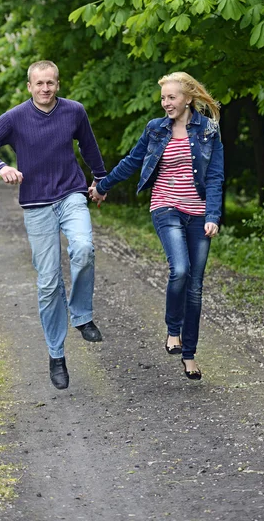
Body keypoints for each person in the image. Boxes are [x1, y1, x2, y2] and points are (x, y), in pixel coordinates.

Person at [0, 60, 107, 390]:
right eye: (39, 83)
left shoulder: (74, 112)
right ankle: (56, 354)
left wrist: (101, 180)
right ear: (29, 87)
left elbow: (89, 147)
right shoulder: (15, 118)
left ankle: (82, 315)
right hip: (36, 204)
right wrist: (1, 167)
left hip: (71, 194)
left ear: (58, 84)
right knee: (48, 282)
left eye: (51, 83)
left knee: (84, 248)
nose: (45, 88)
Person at [89, 72, 224, 380]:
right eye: (163, 98)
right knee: (179, 269)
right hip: (165, 207)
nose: (166, 103)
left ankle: (189, 355)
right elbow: (132, 161)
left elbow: (215, 176)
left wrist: (213, 215)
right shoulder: (155, 129)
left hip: (199, 213)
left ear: (188, 98)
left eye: (172, 97)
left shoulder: (208, 130)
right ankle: (172, 332)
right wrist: (103, 185)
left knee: (195, 286)